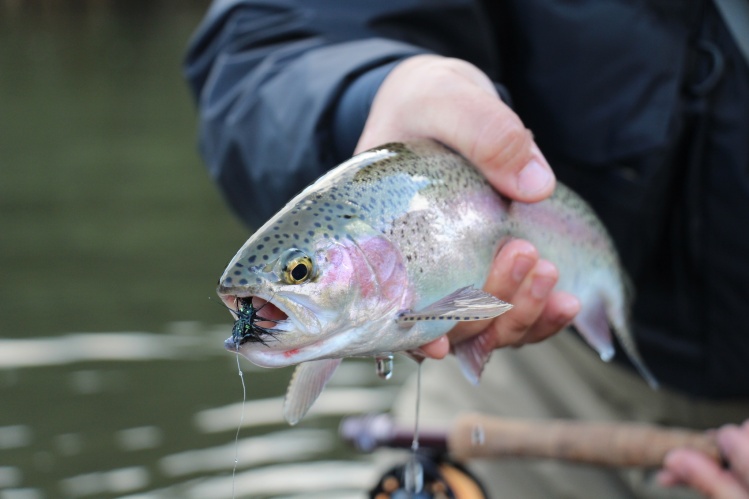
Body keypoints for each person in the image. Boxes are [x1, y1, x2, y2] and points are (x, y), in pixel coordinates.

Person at [184, 1, 749, 497]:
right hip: (542, 361)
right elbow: (267, 37)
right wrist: (373, 92)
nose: (261, 307)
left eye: (300, 270)